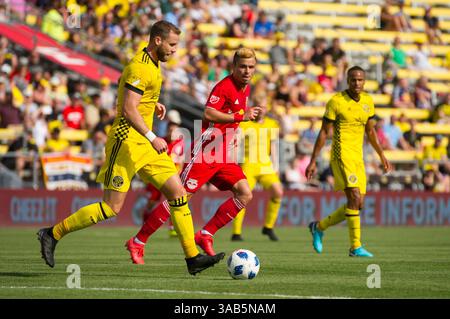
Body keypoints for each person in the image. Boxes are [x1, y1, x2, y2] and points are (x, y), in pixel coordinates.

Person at [37, 21, 225, 275]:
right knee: (111, 208)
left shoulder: (152, 63)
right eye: (171, 44)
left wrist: (153, 104)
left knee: (178, 194)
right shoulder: (140, 67)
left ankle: (192, 258)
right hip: (126, 142)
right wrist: (151, 135)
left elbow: (138, 99)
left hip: (145, 145)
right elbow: (127, 108)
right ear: (157, 40)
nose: (174, 50)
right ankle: (52, 233)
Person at [125, 48, 262, 264]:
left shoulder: (245, 88)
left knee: (245, 193)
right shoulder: (224, 87)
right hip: (206, 153)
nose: (247, 71)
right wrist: (240, 116)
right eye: (243, 67)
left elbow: (230, 119)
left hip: (224, 155)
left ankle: (205, 234)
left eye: (251, 67)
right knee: (178, 199)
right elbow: (208, 113)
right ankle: (138, 241)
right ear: (234, 67)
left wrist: (235, 130)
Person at [305, 66, 393, 257]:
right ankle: (355, 247)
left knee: (357, 203)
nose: (357, 83)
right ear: (347, 80)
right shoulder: (336, 101)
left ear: (365, 81)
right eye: (353, 80)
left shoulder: (368, 101)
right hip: (341, 155)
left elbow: (370, 132)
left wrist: (382, 155)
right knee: (353, 197)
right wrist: (313, 161)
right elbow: (323, 132)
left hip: (357, 157)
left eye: (360, 80)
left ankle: (319, 227)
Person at [231, 104, 283, 241]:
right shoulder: (245, 124)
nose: (261, 110)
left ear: (267, 109)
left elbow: (274, 147)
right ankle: (236, 232)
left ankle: (268, 227)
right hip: (249, 165)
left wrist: (276, 167)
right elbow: (236, 144)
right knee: (243, 196)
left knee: (278, 192)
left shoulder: (272, 124)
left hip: (266, 166)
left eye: (264, 107)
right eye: (258, 107)